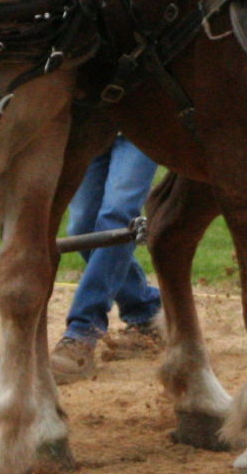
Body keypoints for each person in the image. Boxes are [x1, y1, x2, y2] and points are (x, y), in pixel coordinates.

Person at [49, 136, 163, 381]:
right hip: (94, 123)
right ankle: (146, 310)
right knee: (81, 229)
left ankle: (83, 330)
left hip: (138, 126)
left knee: (118, 215)